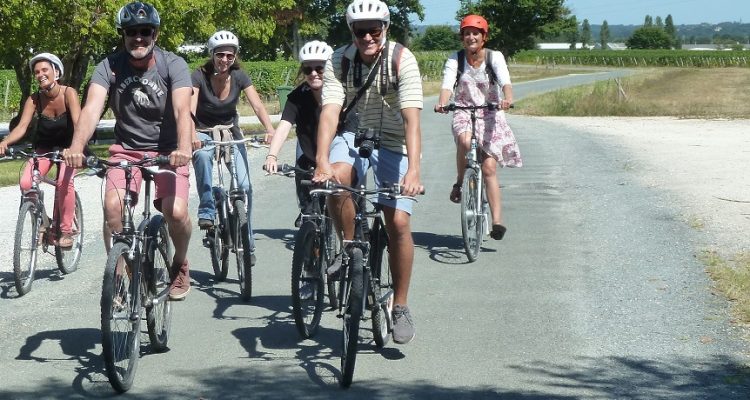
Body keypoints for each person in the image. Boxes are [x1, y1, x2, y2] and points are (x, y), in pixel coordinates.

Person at [63, 1, 194, 300]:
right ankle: (120, 275)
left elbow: (182, 108)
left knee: (176, 212)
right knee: (113, 208)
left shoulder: (173, 64)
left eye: (145, 31)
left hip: (169, 150)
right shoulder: (108, 66)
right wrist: (76, 147)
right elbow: (92, 108)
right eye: (132, 32)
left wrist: (184, 148)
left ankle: (179, 264)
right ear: (123, 34)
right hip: (127, 150)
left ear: (155, 34)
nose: (138, 38)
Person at [313, 0, 424, 344]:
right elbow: (330, 112)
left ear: (385, 28)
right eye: (361, 31)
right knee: (336, 180)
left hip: (393, 141)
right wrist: (321, 160)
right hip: (354, 133)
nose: (368, 36)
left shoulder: (401, 60)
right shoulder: (339, 60)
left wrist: (414, 171)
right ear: (352, 32)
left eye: (374, 29)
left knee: (399, 222)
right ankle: (349, 248)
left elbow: (411, 119)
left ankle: (401, 305)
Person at [190, 30, 276, 265]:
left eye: (230, 55)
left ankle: (247, 242)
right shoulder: (198, 75)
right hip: (204, 131)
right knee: (202, 157)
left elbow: (257, 105)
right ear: (212, 54)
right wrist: (190, 134)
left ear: (235, 56)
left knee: (245, 187)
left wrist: (270, 128)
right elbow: (188, 109)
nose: (225, 60)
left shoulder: (239, 76)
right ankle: (207, 210)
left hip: (230, 131)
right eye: (220, 55)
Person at [434, 14, 522, 241]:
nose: (470, 37)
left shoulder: (495, 57)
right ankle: (461, 182)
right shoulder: (456, 59)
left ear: (484, 37)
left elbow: (505, 82)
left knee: (490, 168)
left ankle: (497, 222)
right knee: (464, 141)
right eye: (466, 33)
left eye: (475, 33)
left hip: (491, 112)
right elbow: (447, 85)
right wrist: (443, 102)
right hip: (463, 110)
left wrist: (507, 99)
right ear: (462, 37)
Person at [0, 53, 81, 248]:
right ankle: (42, 222)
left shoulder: (68, 93)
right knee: (26, 182)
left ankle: (66, 231)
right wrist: (4, 142)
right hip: (44, 148)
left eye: (44, 70)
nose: (40, 74)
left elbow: (79, 124)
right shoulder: (34, 99)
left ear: (56, 71)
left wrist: (76, 148)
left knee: (64, 182)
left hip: (70, 148)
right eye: (37, 72)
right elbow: (21, 127)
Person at [264, 40, 333, 227]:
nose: (313, 74)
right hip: (309, 151)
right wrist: (272, 155)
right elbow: (284, 126)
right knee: (301, 169)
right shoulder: (297, 96)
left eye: (319, 68)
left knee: (349, 197)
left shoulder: (339, 93)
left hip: (335, 154)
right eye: (307, 70)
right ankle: (306, 210)